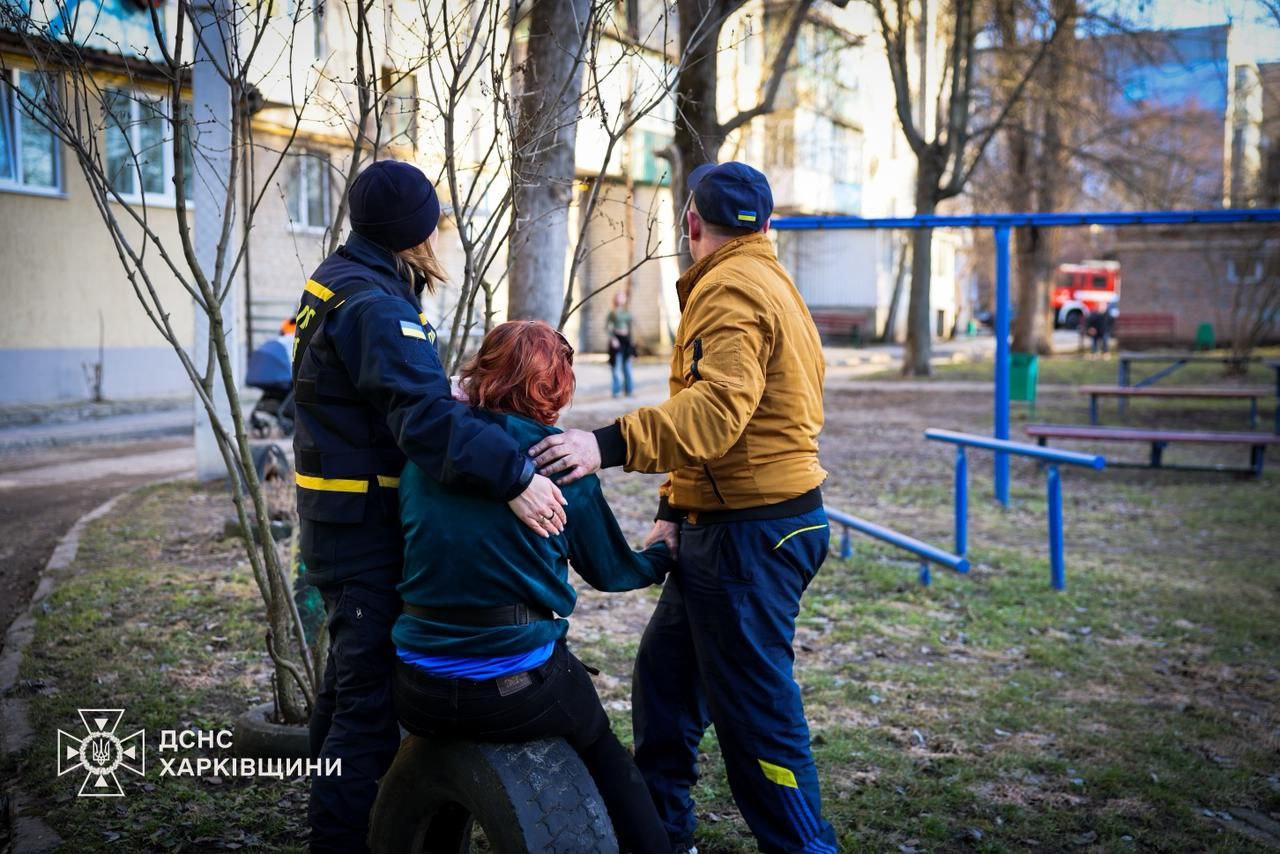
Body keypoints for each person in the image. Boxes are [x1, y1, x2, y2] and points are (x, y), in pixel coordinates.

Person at [528, 162, 839, 854]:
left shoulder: (731, 288)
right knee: (665, 687)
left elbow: (716, 413)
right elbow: (734, 416)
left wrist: (603, 444)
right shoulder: (766, 278)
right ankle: (664, 837)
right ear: (767, 225)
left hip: (750, 538)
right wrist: (674, 504)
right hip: (729, 525)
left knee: (758, 721)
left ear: (692, 222)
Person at [291, 160, 568, 853]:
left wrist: (436, 389)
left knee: (345, 692)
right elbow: (422, 423)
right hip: (363, 535)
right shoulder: (378, 306)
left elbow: (372, 396)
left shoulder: (338, 278)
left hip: (339, 523)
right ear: (416, 235)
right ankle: (343, 840)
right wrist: (515, 476)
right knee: (366, 711)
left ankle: (333, 824)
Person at [393, 320, 671, 853]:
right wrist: (661, 554)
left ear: (483, 370)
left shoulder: (429, 449)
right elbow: (613, 572)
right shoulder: (559, 461)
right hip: (515, 688)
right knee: (603, 750)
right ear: (555, 388)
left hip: (415, 683)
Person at [607, 289, 635, 397]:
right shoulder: (612, 313)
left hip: (626, 341)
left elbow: (630, 328)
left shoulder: (627, 312)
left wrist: (631, 343)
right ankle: (616, 391)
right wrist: (613, 338)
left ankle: (629, 390)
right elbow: (607, 327)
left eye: (623, 296)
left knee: (627, 367)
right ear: (615, 298)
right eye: (619, 296)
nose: (621, 298)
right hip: (616, 341)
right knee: (616, 367)